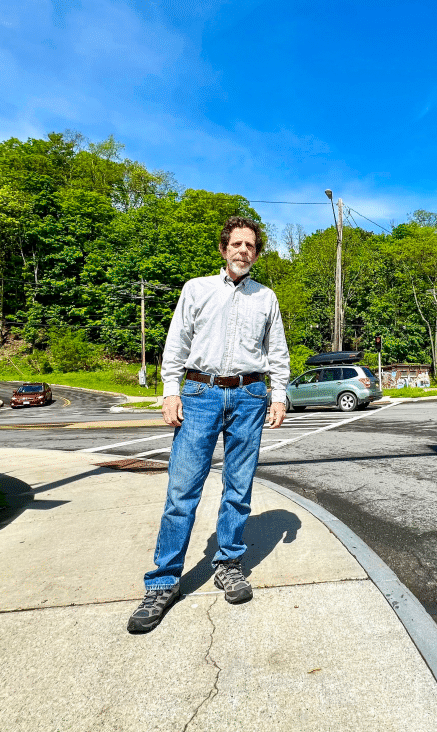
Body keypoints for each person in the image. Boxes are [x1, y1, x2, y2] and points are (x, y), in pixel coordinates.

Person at [127, 215, 290, 634]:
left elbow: (277, 352)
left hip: (250, 396)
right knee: (182, 489)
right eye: (236, 244)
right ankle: (164, 581)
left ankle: (229, 563)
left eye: (250, 246)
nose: (243, 251)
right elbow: (177, 341)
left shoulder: (265, 297)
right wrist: (169, 390)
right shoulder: (196, 289)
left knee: (239, 487)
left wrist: (278, 394)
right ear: (223, 249)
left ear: (257, 253)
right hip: (200, 394)